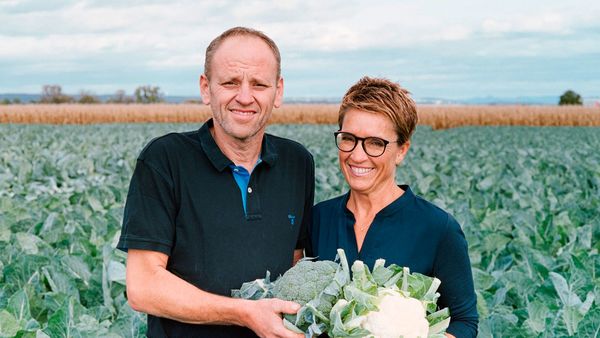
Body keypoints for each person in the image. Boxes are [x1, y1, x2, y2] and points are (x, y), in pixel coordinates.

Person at [117, 27, 314, 338]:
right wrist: (244, 313)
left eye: (259, 84)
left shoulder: (297, 162)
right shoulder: (165, 159)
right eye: (230, 82)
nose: (245, 97)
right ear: (206, 88)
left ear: (278, 91)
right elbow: (143, 287)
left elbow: (294, 263)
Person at [307, 77, 478, 337]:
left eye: (375, 143)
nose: (357, 155)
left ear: (401, 151)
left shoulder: (437, 228)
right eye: (348, 138)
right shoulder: (319, 218)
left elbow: (464, 321)